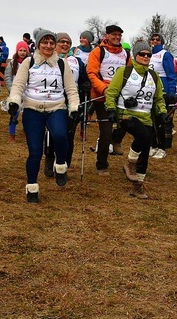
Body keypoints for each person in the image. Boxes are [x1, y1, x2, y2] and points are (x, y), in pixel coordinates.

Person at [6, 29, 80, 203]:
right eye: (44, 42)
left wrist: (74, 106)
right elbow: (18, 85)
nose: (48, 46)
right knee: (35, 152)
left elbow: (70, 88)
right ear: (38, 44)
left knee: (62, 136)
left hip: (56, 107)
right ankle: (32, 186)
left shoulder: (62, 64)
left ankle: (60, 165)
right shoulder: (28, 62)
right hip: (33, 109)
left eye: (51, 43)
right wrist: (14, 101)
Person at [104, 41, 166, 199]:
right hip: (126, 115)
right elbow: (111, 92)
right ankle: (131, 162)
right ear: (135, 55)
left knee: (145, 149)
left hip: (146, 117)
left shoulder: (154, 76)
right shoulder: (124, 72)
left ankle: (138, 185)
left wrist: (162, 113)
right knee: (144, 137)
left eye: (148, 54)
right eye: (142, 54)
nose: (146, 57)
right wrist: (111, 109)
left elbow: (159, 99)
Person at [86, 24, 131, 175]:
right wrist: (105, 90)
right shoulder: (98, 51)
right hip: (102, 96)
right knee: (105, 131)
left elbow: (130, 74)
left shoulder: (126, 53)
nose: (117, 37)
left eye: (119, 35)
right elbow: (92, 73)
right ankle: (102, 164)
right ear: (106, 36)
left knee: (128, 122)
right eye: (114, 34)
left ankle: (116, 139)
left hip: (121, 95)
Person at [45, 32, 85, 173]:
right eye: (62, 41)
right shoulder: (48, 59)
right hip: (53, 100)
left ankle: (64, 165)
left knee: (68, 134)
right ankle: (49, 159)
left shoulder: (76, 61)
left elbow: (84, 77)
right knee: (53, 133)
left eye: (68, 42)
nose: (65, 44)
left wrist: (85, 84)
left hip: (72, 102)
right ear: (55, 44)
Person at [148, 33, 177, 159]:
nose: (155, 41)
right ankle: (153, 145)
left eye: (158, 39)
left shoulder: (165, 54)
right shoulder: (147, 54)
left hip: (162, 91)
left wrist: (171, 92)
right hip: (149, 89)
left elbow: (171, 74)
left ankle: (162, 147)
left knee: (160, 120)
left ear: (162, 41)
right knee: (150, 119)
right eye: (153, 39)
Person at [4, 41, 30, 142]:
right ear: (17, 51)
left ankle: (26, 131)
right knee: (14, 114)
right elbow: (8, 77)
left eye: (24, 50)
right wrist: (12, 90)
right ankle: (12, 133)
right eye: (20, 50)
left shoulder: (30, 62)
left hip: (27, 91)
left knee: (27, 114)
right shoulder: (12, 63)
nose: (22, 52)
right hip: (15, 91)